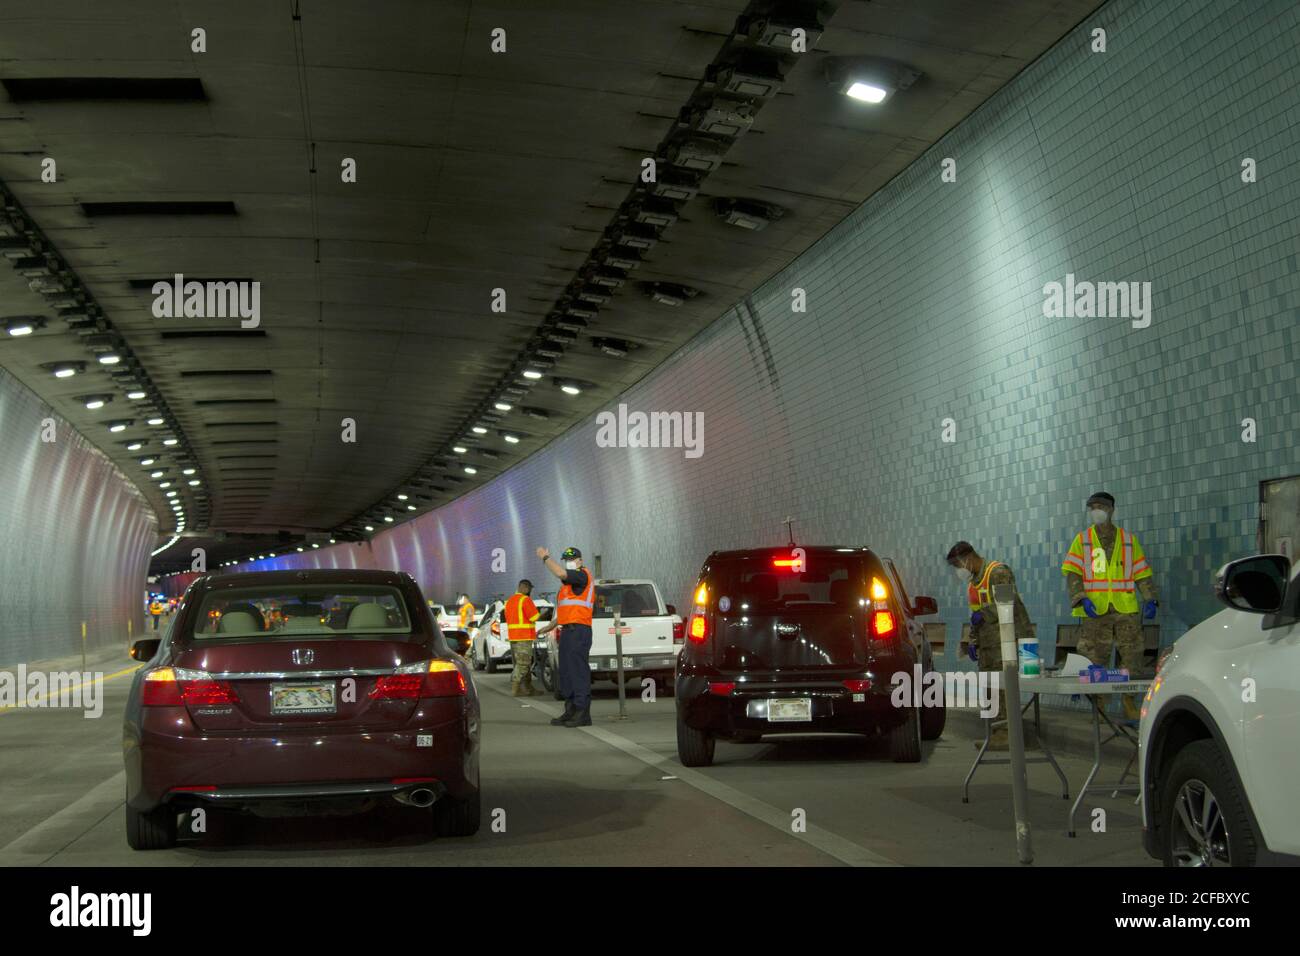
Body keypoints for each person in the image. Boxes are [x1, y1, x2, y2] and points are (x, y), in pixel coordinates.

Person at [1061, 491, 1158, 719]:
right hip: (1095, 609)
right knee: (1095, 658)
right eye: (1091, 507)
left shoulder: (1128, 540)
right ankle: (1099, 705)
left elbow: (1142, 573)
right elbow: (1073, 573)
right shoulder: (1082, 539)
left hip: (1125, 608)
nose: (1095, 511)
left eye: (1100, 507)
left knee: (1132, 655)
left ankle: (1128, 702)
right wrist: (1080, 597)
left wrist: (1150, 598)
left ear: (1111, 509)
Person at [946, 541, 1035, 751]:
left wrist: (983, 614)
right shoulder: (973, 584)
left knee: (1004, 689)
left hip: (1007, 642)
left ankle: (1007, 733)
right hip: (989, 645)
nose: (958, 571)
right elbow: (976, 616)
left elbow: (1007, 604)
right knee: (991, 690)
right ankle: (997, 732)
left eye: (957, 565)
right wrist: (972, 641)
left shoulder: (998, 572)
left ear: (967, 558)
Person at [535, 545, 593, 727]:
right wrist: (550, 626)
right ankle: (571, 710)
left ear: (580, 560)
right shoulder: (568, 586)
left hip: (579, 631)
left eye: (572, 559)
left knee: (578, 672)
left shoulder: (581, 575)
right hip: (568, 630)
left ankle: (582, 713)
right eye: (566, 560)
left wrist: (545, 558)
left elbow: (560, 573)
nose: (569, 563)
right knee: (566, 673)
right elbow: (567, 610)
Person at [503, 579, 541, 697]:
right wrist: (541, 613)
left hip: (514, 637)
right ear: (524, 588)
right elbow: (534, 617)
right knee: (523, 664)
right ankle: (516, 687)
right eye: (529, 589)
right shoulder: (525, 599)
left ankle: (528, 688)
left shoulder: (509, 601)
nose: (530, 591)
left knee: (523, 663)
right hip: (524, 637)